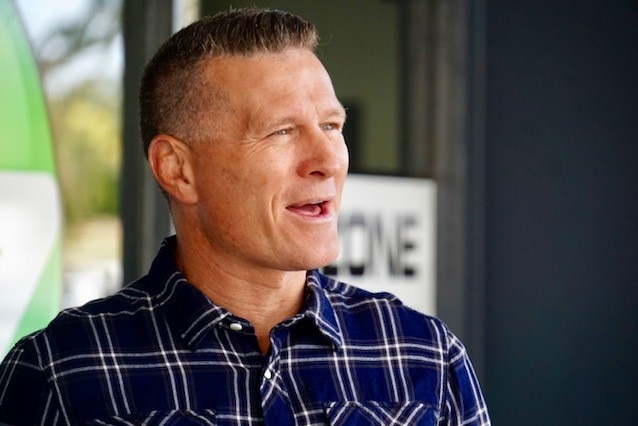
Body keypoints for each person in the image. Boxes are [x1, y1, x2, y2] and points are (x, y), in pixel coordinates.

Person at [0, 7, 490, 425]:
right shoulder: (62, 373)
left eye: (331, 125)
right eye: (281, 131)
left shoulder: (426, 354)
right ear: (178, 169)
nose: (328, 159)